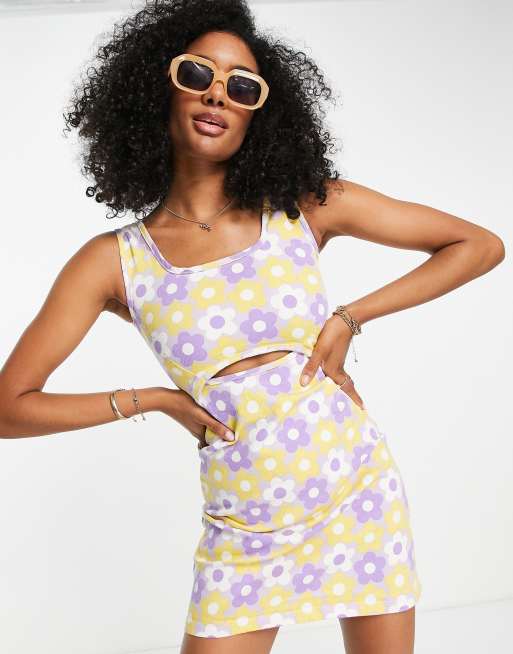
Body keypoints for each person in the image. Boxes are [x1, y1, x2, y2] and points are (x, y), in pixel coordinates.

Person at [0, 1, 505, 653]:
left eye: (242, 87)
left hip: (354, 488)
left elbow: (478, 245)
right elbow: (10, 407)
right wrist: (154, 400)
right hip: (243, 520)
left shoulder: (303, 207)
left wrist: (349, 318)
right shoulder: (112, 261)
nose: (218, 94)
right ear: (157, 89)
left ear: (259, 113)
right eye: (197, 74)